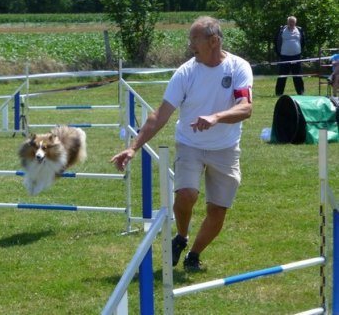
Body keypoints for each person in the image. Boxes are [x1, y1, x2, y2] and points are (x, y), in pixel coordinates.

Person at [110, 16, 253, 271]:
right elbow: (159, 115)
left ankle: (194, 255)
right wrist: (134, 147)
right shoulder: (185, 72)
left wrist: (216, 117)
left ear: (214, 41)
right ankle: (181, 237)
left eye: (194, 40)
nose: (190, 46)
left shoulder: (239, 67)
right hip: (191, 143)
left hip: (226, 147)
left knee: (218, 210)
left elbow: (246, 108)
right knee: (187, 194)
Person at [274, 16, 305, 96]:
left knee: (297, 76)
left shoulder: (299, 30)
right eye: (290, 22)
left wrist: (299, 51)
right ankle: (279, 93)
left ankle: (300, 92)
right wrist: (279, 54)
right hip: (284, 56)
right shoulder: (282, 30)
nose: (291, 23)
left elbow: (303, 42)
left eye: (293, 22)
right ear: (287, 22)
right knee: (282, 76)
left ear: (295, 23)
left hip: (296, 57)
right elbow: (276, 41)